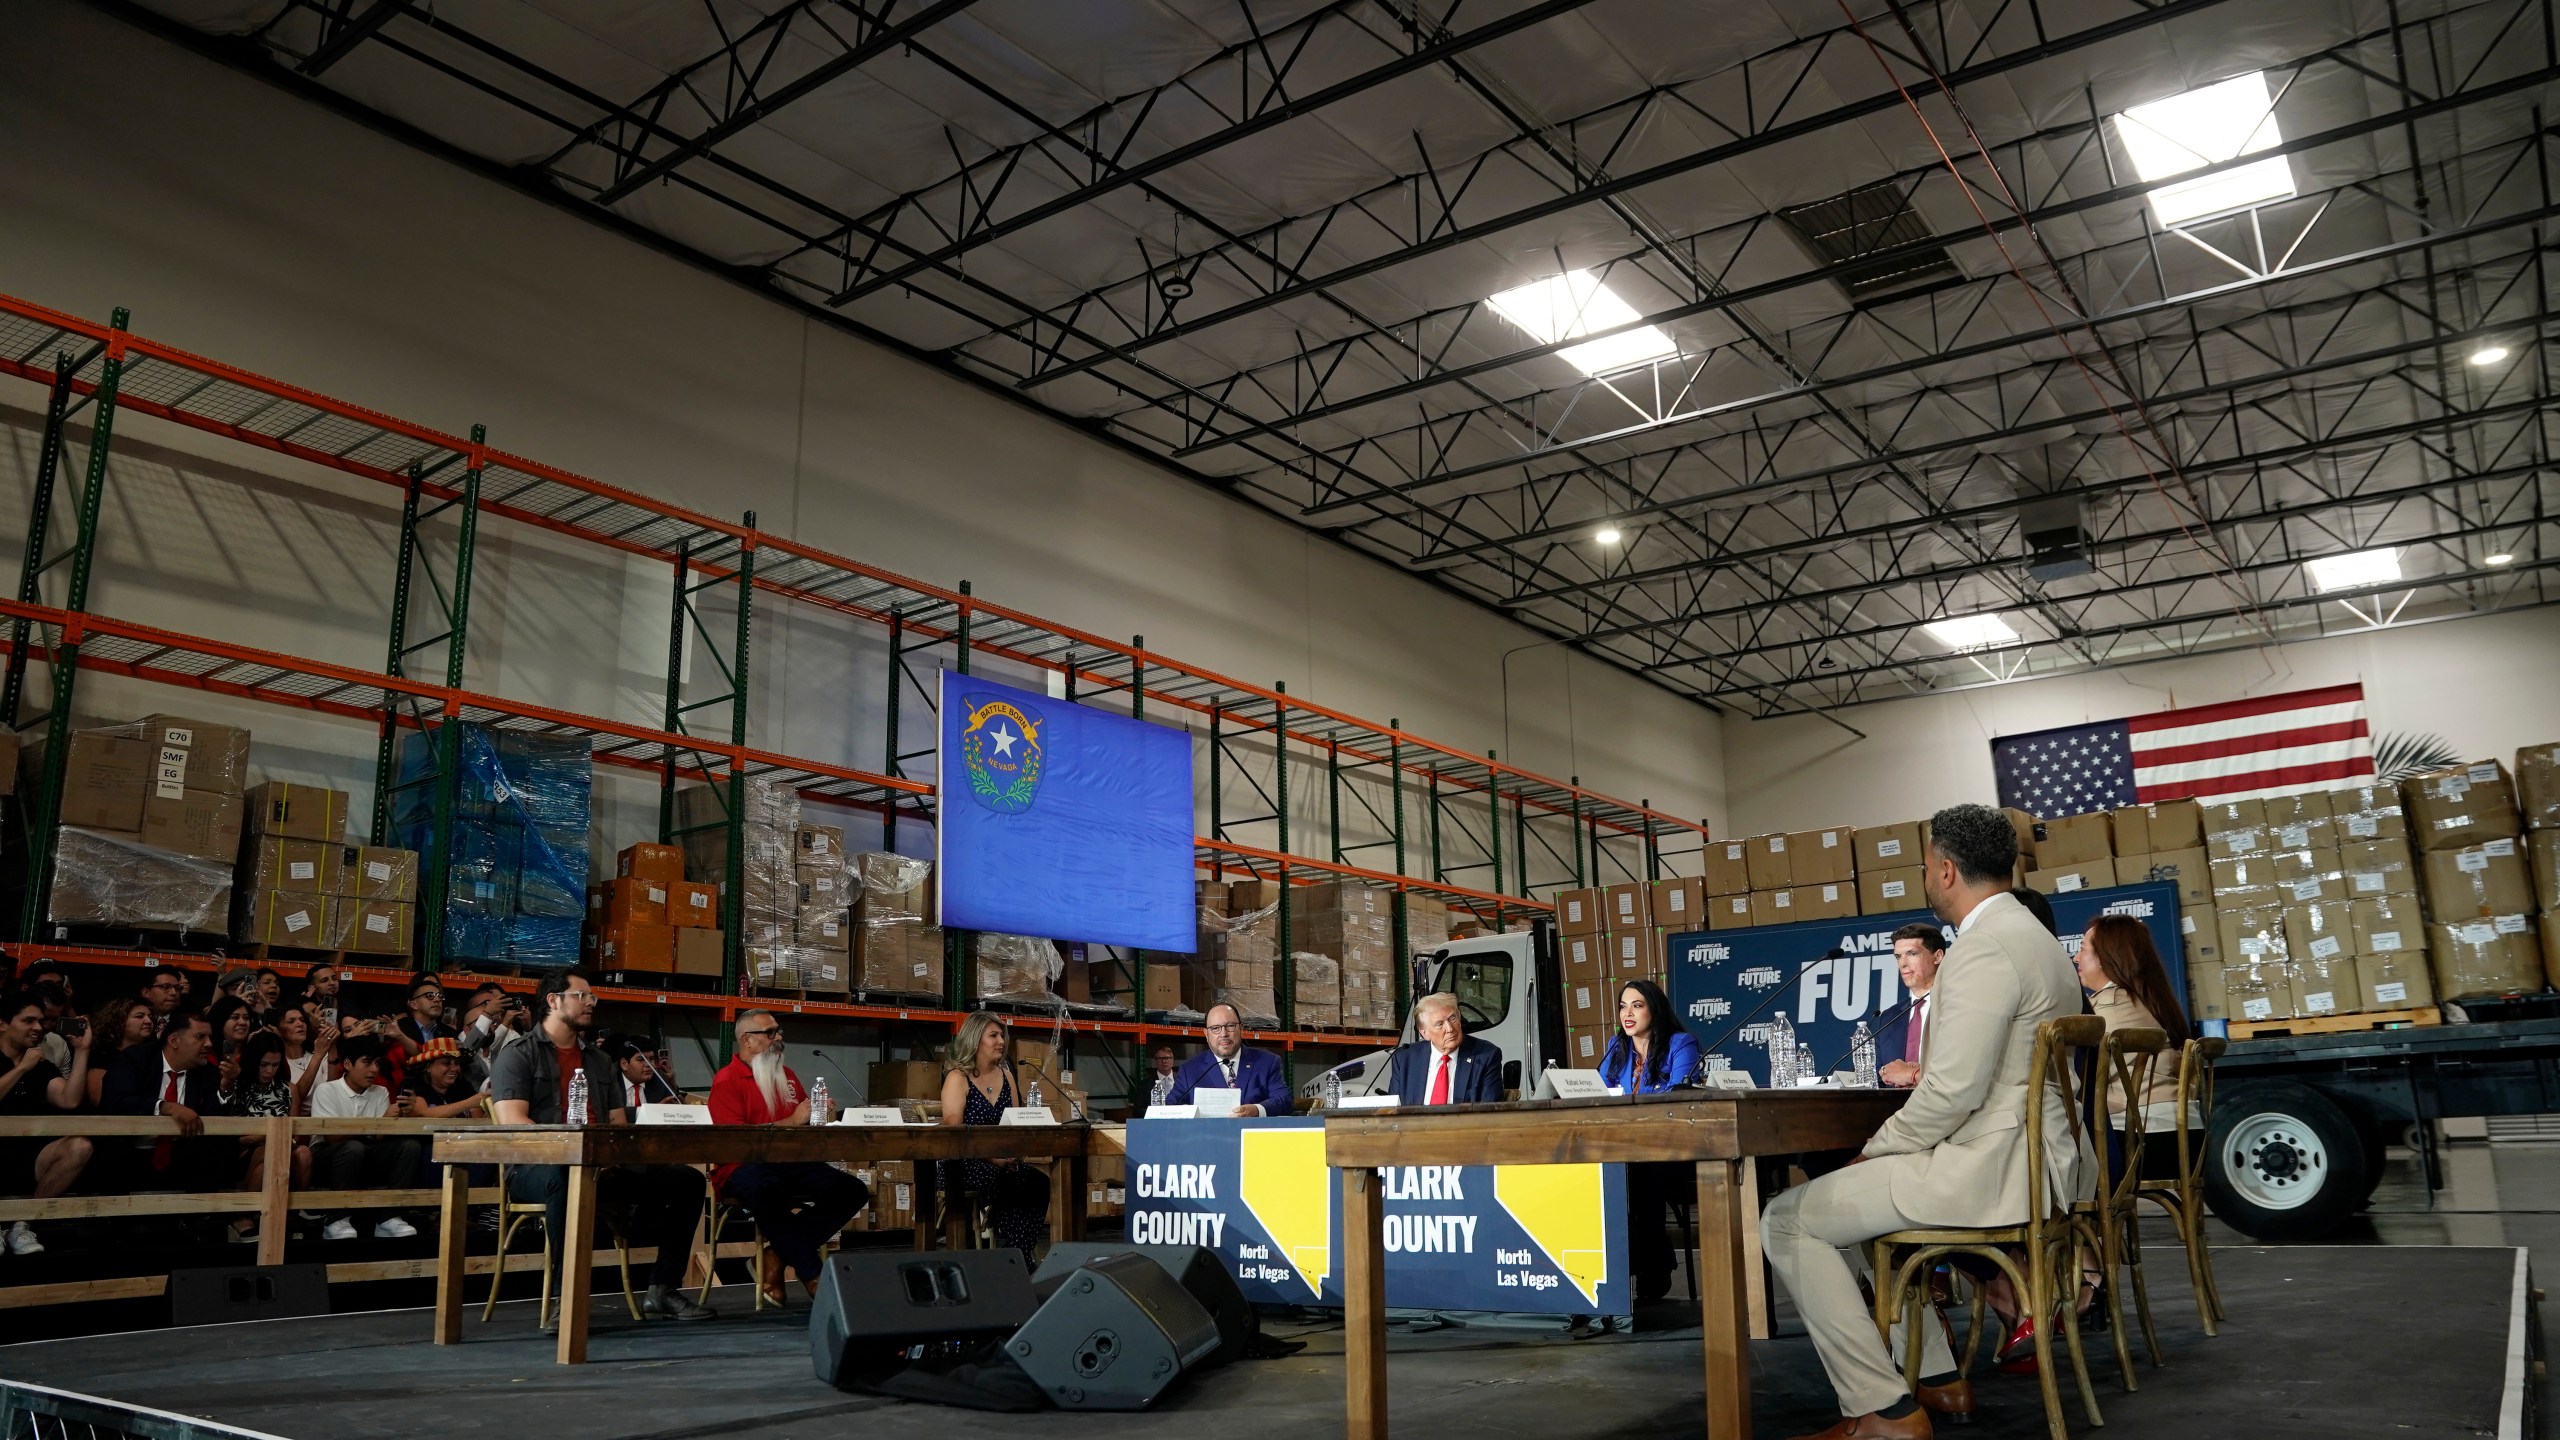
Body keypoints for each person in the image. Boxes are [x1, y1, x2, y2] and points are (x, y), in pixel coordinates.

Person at [1759, 804, 2089, 1440]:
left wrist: (1876, 1149)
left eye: (1923, 865)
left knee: (1788, 1219)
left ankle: (1881, 1411)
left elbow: (1950, 1091)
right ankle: (1938, 1381)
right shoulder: (2039, 940)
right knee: (1849, 1216)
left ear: (1944, 870)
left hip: (1990, 1168)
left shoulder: (1984, 948)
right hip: (2035, 1159)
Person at [487, 970, 715, 1324]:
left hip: (600, 1164)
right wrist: (575, 1153)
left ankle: (663, 1289)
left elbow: (616, 1125)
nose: (591, 1002)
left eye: (592, 997)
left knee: (686, 1180)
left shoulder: (598, 1061)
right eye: (581, 996)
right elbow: (515, 1124)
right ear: (553, 1000)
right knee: (566, 1181)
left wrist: (622, 1156)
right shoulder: (519, 1054)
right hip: (537, 1167)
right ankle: (568, 1299)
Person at [706, 1012, 868, 1304]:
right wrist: (792, 1122)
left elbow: (800, 1123)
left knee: (852, 1189)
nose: (778, 1038)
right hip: (741, 1166)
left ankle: (775, 1255)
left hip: (791, 1162)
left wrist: (819, 1114)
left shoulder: (788, 1076)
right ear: (748, 1040)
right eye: (770, 1033)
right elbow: (734, 1141)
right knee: (767, 1187)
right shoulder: (727, 1080)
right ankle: (811, 1273)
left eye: (779, 1031)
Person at [1595, 979, 1702, 1301]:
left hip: (1674, 1148)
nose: (1627, 1013)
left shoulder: (1681, 1043)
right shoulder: (1618, 1048)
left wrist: (1634, 1097)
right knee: (1604, 1172)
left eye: (1637, 1005)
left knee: (1638, 1174)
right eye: (1623, 1006)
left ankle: (1653, 1268)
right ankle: (1611, 1267)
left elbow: (1681, 1091)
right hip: (1625, 1147)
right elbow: (1597, 1094)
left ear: (1654, 1010)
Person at [937, 1012, 1048, 1262]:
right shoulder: (958, 1078)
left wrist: (1012, 1154)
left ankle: (1015, 1253)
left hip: (1003, 1159)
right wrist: (993, 1159)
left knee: (1038, 1182)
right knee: (1012, 1183)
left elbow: (1016, 1123)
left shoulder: (1007, 1076)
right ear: (976, 1040)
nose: (1001, 1041)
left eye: (1002, 1036)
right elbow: (954, 1134)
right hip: (965, 1162)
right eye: (993, 1036)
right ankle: (1016, 1258)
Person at [99, 1008, 237, 1201]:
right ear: (173, 1041)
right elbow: (116, 1100)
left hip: (178, 1152)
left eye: (210, 1037)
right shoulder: (135, 1058)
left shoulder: (207, 1071)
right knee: (113, 1150)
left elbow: (212, 1119)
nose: (209, 1044)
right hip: (133, 1151)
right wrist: (167, 1107)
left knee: (221, 1144)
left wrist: (225, 1087)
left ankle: (193, 1217)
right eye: (200, 1037)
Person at [2075, 915, 2190, 1141]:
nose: (2076, 957)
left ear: (2104, 957)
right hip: (2183, 1129)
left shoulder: (2107, 1009)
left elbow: (2079, 1078)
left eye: (2082, 949)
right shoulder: (2153, 1001)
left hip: (2139, 1136)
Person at [0, 991, 92, 1256]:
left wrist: (82, 1051)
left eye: (40, 1021)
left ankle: (22, 1225)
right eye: (28, 1021)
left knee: (79, 1147)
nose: (38, 1028)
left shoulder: (41, 1064)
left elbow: (69, 1100)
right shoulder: (28, 1063)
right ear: (3, 1023)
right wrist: (20, 1069)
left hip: (28, 1155)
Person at [307, 1035, 422, 1240]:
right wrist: (378, 1121)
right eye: (367, 1063)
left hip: (364, 1152)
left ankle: (389, 1218)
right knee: (352, 1147)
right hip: (326, 1156)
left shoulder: (380, 1092)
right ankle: (336, 1219)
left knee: (409, 1146)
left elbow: (378, 1138)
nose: (374, 1070)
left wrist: (396, 1118)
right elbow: (333, 1138)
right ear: (348, 1064)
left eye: (377, 1063)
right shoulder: (327, 1090)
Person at [1163, 1003, 1291, 1115]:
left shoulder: (1267, 1062)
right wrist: (1194, 1112)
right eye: (1215, 1028)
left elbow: (1284, 1100)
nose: (1223, 1034)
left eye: (1230, 1026)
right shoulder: (1190, 1069)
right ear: (1206, 1034)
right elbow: (1171, 1105)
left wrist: (1257, 1110)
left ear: (1241, 1029)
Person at [1385, 992, 1503, 1105]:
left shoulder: (1486, 1056)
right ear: (1424, 1033)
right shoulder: (1404, 1058)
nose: (1450, 1028)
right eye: (1439, 1024)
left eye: (1452, 1019)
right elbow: (1393, 1112)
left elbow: (1489, 1114)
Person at [1877, 924, 1947, 1090]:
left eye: (1912, 954)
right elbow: (1876, 1079)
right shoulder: (1889, 1017)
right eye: (1898, 957)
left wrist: (1913, 1075)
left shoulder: (1958, 1006)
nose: (1903, 964)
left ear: (1937, 957)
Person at [87, 997, 157, 1108]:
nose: (149, 1021)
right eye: (139, 1016)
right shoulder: (101, 1055)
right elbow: (100, 1099)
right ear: (119, 1021)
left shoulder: (154, 1055)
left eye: (150, 1017)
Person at [401, 1037, 486, 1119]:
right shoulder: (417, 1087)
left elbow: (477, 1117)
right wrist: (468, 1103)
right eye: (446, 1063)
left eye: (456, 1063)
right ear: (428, 1067)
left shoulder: (464, 1086)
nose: (454, 1069)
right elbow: (424, 1114)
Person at [606, 1035, 681, 1112]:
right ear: (624, 1064)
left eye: (651, 1059)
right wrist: (653, 1110)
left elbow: (675, 1109)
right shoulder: (609, 1082)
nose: (648, 1064)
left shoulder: (659, 1079)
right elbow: (610, 1114)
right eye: (641, 1059)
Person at [1135, 1043, 1178, 1111]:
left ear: (1172, 1061)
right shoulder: (1145, 1085)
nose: (1164, 1061)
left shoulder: (1182, 1081)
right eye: (1160, 1058)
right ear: (1155, 1062)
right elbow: (1138, 1109)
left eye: (1167, 1058)